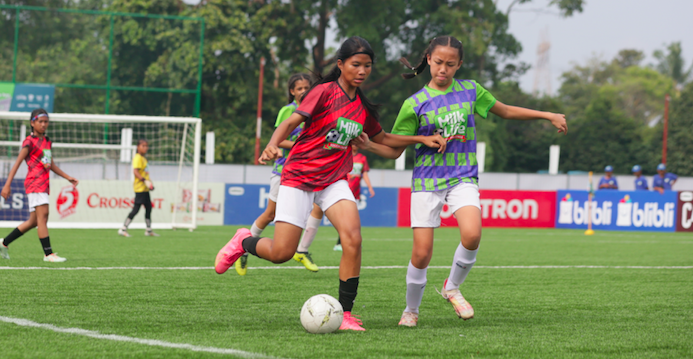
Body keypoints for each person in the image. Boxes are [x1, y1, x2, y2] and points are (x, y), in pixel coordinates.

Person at [213, 36, 446, 331]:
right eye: (356, 64)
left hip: (334, 179)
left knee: (353, 238)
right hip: (298, 177)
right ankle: (243, 241)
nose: (362, 71)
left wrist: (420, 139)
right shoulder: (323, 92)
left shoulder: (362, 107)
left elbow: (385, 141)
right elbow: (289, 123)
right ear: (340, 65)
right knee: (282, 253)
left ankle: (346, 314)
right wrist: (272, 144)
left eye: (368, 66)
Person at [358, 36, 567, 328]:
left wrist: (547, 115)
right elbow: (394, 149)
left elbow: (505, 111)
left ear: (459, 65)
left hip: (462, 176)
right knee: (421, 253)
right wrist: (368, 146)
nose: (444, 69)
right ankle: (411, 310)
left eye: (451, 64)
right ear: (428, 59)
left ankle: (451, 287)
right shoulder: (414, 104)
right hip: (427, 181)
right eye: (439, 62)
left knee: (472, 234)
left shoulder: (470, 90)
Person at [235, 73, 323, 275]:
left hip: (306, 172)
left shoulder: (314, 112)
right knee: (270, 214)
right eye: (299, 88)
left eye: (307, 87)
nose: (304, 91)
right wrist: (303, 146)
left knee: (318, 208)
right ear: (292, 91)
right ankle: (242, 249)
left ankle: (302, 250)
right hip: (284, 171)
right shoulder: (289, 110)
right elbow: (277, 140)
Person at [0, 109, 77, 262]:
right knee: (43, 217)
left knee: (34, 221)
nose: (43, 124)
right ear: (32, 123)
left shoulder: (47, 141)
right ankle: (48, 254)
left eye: (46, 121)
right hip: (35, 182)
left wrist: (67, 177)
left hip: (44, 184)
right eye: (40, 121)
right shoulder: (29, 142)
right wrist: (7, 185)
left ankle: (3, 243)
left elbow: (49, 163)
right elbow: (17, 163)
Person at [334, 145, 374, 252]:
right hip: (343, 190)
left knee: (351, 220)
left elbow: (364, 174)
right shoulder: (343, 155)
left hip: (355, 193)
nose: (355, 145)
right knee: (344, 219)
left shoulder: (362, 158)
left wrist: (370, 187)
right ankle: (339, 243)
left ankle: (345, 243)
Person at [119, 138, 158, 237]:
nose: (145, 148)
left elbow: (144, 173)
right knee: (136, 209)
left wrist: (149, 184)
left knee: (148, 207)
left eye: (146, 146)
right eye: (143, 146)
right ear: (138, 147)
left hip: (145, 188)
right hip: (140, 188)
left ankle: (148, 230)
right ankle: (123, 228)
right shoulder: (137, 157)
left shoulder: (144, 158)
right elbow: (135, 171)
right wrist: (144, 181)